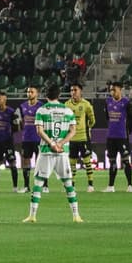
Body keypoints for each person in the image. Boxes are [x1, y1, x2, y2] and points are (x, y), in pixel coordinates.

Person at [22, 84, 85, 224]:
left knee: (38, 183)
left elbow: (39, 131)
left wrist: (51, 143)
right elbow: (73, 131)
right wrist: (61, 144)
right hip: (62, 153)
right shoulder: (67, 110)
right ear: (59, 95)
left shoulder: (42, 110)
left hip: (46, 152)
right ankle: (76, 215)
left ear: (46, 95)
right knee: (68, 184)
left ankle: (32, 215)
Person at [103, 81, 132, 192]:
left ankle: (130, 185)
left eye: (114, 90)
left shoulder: (126, 102)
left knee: (126, 161)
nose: (112, 92)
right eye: (111, 90)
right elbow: (107, 117)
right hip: (111, 136)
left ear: (120, 90)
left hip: (122, 136)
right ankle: (111, 186)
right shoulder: (108, 102)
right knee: (112, 162)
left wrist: (128, 130)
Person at [66, 83, 96, 191]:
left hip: (83, 137)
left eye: (75, 90)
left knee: (87, 161)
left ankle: (90, 184)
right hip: (72, 138)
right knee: (72, 163)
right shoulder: (67, 105)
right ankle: (72, 185)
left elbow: (92, 120)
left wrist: (87, 128)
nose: (73, 92)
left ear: (80, 91)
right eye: (71, 90)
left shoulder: (86, 104)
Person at [0, 91, 20, 192]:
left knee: (12, 163)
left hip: (8, 141)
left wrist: (9, 133)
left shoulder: (11, 112)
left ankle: (15, 187)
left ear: (4, 100)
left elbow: (16, 127)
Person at [18, 85, 43, 193]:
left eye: (32, 92)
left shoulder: (41, 106)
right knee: (26, 161)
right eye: (28, 92)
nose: (29, 94)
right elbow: (21, 122)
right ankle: (26, 186)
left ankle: (43, 186)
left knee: (41, 162)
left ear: (37, 93)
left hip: (38, 138)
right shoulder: (22, 106)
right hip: (26, 138)